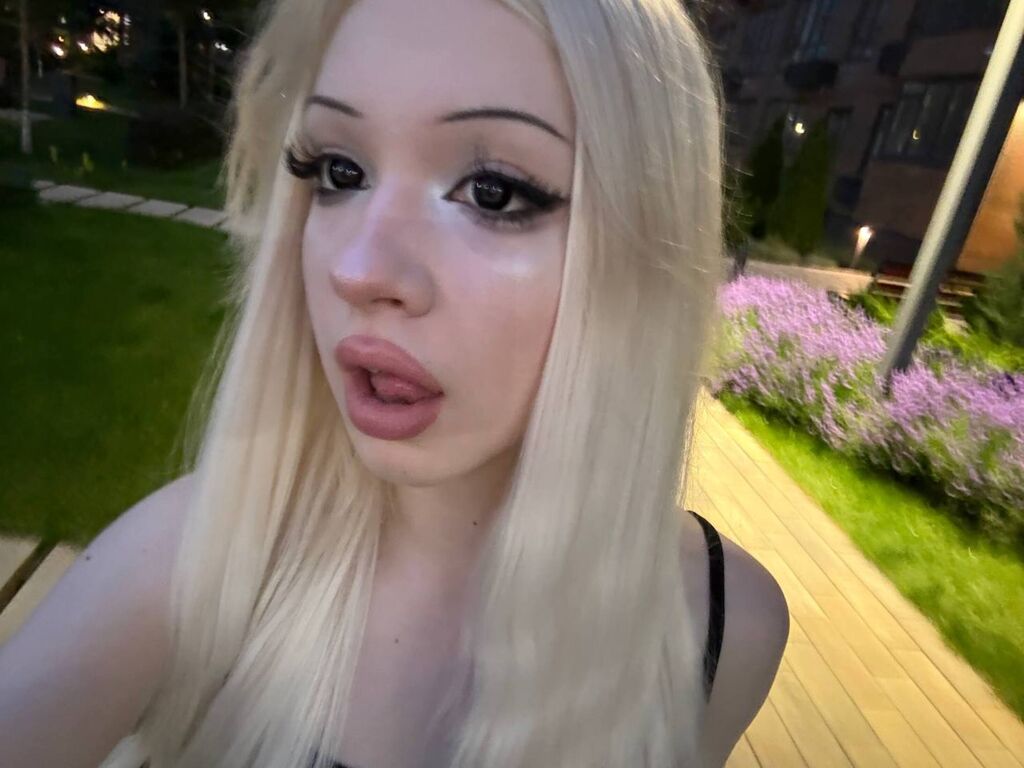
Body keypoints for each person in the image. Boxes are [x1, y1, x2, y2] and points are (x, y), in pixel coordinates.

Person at [0, 0, 789, 766]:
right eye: (339, 171)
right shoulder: (192, 563)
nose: (360, 270)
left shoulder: (729, 629)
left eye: (493, 192)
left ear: (646, 254)